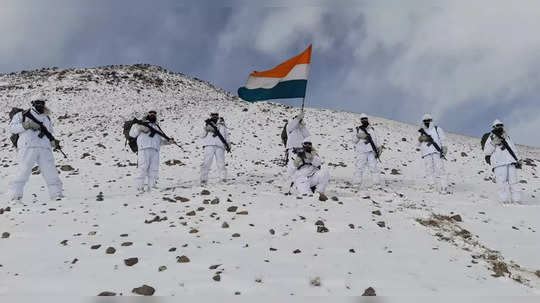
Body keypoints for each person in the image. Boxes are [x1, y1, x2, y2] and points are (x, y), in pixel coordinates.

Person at [8, 99, 64, 201]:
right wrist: (26, 125)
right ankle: (15, 195)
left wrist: (53, 141)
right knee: (23, 171)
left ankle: (56, 194)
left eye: (42, 103)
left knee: (50, 171)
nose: (40, 105)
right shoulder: (21, 115)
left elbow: (49, 132)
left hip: (44, 147)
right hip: (28, 146)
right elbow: (12, 128)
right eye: (37, 102)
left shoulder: (46, 117)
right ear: (33, 103)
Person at [129, 110, 174, 193]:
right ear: (148, 115)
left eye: (154, 114)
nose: (153, 115)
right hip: (144, 148)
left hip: (155, 150)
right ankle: (139, 187)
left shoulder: (157, 127)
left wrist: (168, 142)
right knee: (142, 168)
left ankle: (152, 186)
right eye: (151, 114)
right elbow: (132, 134)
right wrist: (139, 128)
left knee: (154, 169)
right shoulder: (140, 124)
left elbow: (160, 141)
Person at [484, 119, 522, 204]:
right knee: (502, 183)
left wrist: (518, 159)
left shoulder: (507, 136)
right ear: (493, 127)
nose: (499, 127)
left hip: (510, 161)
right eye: (497, 125)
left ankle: (517, 200)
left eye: (501, 125)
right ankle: (503, 200)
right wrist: (493, 143)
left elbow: (513, 148)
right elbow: (486, 151)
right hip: (499, 163)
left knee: (514, 182)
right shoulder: (491, 137)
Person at [417, 113, 449, 193]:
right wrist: (421, 139)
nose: (427, 122)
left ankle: (444, 187)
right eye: (425, 121)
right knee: (429, 170)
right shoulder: (422, 132)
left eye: (428, 121)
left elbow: (443, 139)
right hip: (426, 153)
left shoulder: (437, 129)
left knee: (440, 169)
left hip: (436, 152)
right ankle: (431, 186)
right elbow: (418, 144)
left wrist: (444, 148)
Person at [353, 113, 383, 189]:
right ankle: (357, 183)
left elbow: (376, 139)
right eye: (362, 119)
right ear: (360, 120)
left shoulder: (372, 129)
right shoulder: (357, 129)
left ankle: (376, 184)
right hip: (361, 151)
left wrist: (379, 147)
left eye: (365, 119)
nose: (364, 120)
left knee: (374, 167)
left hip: (371, 151)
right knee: (359, 167)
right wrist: (358, 136)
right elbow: (354, 140)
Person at [200, 113, 230, 185]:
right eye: (213, 115)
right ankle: (203, 179)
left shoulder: (222, 125)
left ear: (218, 115)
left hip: (220, 146)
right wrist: (206, 129)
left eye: (216, 115)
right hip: (209, 145)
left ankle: (223, 178)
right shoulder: (207, 124)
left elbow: (226, 136)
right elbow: (202, 135)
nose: (214, 116)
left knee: (221, 163)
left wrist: (228, 145)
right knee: (206, 163)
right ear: (211, 115)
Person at [285, 111, 311, 179]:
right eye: (296, 118)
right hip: (292, 148)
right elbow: (291, 126)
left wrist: (303, 126)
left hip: (301, 149)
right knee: (292, 164)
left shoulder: (300, 128)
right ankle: (289, 178)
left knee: (300, 164)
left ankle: (299, 178)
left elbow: (307, 135)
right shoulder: (289, 126)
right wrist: (298, 118)